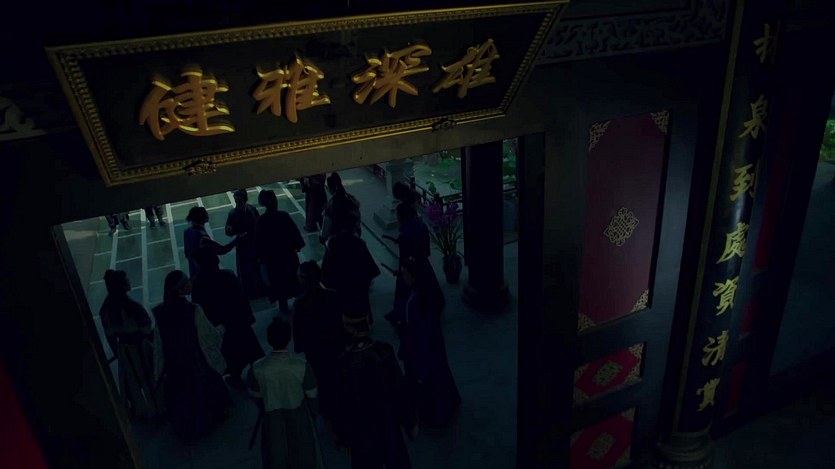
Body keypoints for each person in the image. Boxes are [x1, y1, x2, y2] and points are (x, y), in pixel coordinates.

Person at [152, 270, 231, 442]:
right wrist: (221, 329)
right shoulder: (193, 310)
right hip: (196, 360)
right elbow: (207, 337)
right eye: (186, 282)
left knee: (183, 398)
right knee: (206, 393)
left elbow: (158, 345)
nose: (190, 282)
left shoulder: (159, 312)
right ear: (180, 290)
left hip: (175, 364)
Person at [333, 309, 416, 469]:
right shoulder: (384, 351)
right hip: (388, 421)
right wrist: (409, 420)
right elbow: (398, 388)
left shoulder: (344, 362)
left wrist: (343, 436)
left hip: (362, 428)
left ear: (350, 329)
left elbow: (343, 402)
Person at [247, 319, 324, 469]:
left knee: (276, 453)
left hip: (271, 415)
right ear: (289, 338)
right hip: (299, 414)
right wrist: (314, 411)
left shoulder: (257, 368)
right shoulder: (301, 365)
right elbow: (312, 394)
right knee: (303, 451)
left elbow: (255, 395)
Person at [192, 246, 265, 390]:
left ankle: (236, 378)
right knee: (251, 349)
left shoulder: (198, 284)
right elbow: (241, 299)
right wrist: (248, 317)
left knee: (231, 355)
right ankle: (261, 375)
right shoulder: (228, 275)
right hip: (238, 320)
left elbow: (201, 310)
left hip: (221, 325)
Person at [399, 258, 460, 428]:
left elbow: (417, 331)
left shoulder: (415, 301)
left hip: (422, 346)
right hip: (433, 343)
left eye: (406, 274)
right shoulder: (424, 295)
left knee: (429, 382)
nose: (403, 278)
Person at [99, 269, 161, 420]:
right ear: (122, 285)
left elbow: (110, 335)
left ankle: (139, 410)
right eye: (126, 280)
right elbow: (146, 329)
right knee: (149, 378)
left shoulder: (106, 309)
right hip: (141, 347)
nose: (129, 281)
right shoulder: (132, 306)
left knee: (131, 383)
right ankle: (157, 407)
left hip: (124, 349)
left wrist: (118, 353)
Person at [293, 260, 344, 420]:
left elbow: (298, 328)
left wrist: (299, 346)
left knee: (321, 378)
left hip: (315, 348)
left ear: (303, 279)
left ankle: (327, 407)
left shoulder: (300, 303)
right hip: (335, 343)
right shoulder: (332, 295)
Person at [321, 210, 381, 324]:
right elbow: (371, 269)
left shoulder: (332, 243)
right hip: (358, 287)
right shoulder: (359, 243)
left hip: (340, 287)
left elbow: (325, 271)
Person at [385, 203, 435, 327]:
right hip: (423, 263)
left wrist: (403, 268)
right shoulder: (421, 225)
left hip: (411, 266)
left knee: (407, 293)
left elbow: (406, 252)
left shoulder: (407, 231)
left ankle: (404, 315)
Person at [255, 189, 305, 313]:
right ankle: (300, 305)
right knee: (293, 280)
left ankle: (283, 307)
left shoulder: (261, 220)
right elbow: (294, 233)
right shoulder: (283, 216)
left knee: (279, 284)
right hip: (288, 255)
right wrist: (298, 245)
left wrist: (261, 258)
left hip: (273, 260)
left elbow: (258, 242)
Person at [225, 189, 265, 298]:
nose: (237, 203)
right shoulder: (233, 214)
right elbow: (229, 230)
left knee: (257, 267)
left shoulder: (252, 209)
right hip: (243, 245)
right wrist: (229, 230)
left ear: (244, 200)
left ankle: (260, 288)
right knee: (245, 269)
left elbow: (259, 225)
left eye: (239, 201)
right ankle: (249, 291)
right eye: (236, 201)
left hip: (254, 243)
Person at [184, 206, 239, 279]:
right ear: (204, 218)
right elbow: (222, 250)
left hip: (194, 274)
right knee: (230, 276)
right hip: (207, 275)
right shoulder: (203, 237)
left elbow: (187, 253)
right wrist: (237, 240)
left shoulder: (187, 233)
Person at [319, 172, 362, 244]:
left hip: (338, 241)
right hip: (354, 238)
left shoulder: (330, 206)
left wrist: (322, 238)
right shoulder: (351, 200)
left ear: (330, 188)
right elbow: (358, 223)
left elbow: (325, 231)